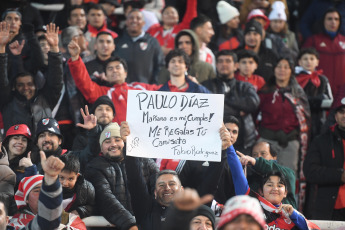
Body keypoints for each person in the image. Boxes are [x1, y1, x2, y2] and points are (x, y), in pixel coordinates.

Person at [122, 121, 231, 230]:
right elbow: (135, 179)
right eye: (161, 185)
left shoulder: (193, 210)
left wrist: (221, 151)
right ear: (155, 192)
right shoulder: (145, 210)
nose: (167, 188)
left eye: (172, 183)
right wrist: (129, 145)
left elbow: (210, 182)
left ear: (182, 190)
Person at [67, 39, 161, 124]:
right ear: (106, 75)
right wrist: (75, 58)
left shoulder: (140, 88)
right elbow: (84, 83)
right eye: (110, 69)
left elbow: (165, 92)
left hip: (141, 136)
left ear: (125, 73)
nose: (114, 70)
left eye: (117, 68)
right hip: (114, 139)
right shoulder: (103, 93)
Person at [227, 144, 319, 229]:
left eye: (279, 185)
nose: (275, 188)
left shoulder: (291, 215)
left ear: (285, 193)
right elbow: (237, 173)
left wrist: (294, 215)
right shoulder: (251, 205)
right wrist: (229, 145)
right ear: (261, 191)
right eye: (270, 185)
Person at [0, 22, 63, 137]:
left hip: (42, 150)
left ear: (36, 85)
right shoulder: (7, 101)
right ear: (14, 87)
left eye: (30, 84)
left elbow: (56, 80)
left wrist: (54, 48)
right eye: (20, 85)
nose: (26, 88)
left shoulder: (46, 99)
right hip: (14, 151)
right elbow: (1, 79)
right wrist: (2, 48)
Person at [257, 57, 310, 175]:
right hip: (266, 141)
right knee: (264, 177)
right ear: (274, 69)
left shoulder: (298, 92)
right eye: (279, 66)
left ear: (291, 71)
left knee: (287, 178)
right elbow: (255, 116)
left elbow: (305, 119)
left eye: (286, 67)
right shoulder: (265, 91)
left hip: (290, 142)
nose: (282, 70)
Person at [8, 151, 86, 229]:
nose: (44, 194)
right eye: (37, 190)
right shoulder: (14, 223)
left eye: (47, 190)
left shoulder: (71, 219)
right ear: (26, 198)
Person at [203, 50, 259, 154]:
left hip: (242, 143)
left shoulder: (245, 86)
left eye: (228, 61)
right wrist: (238, 111)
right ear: (216, 65)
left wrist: (220, 101)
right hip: (213, 141)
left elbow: (253, 104)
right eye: (220, 61)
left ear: (236, 65)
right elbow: (205, 108)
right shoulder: (206, 86)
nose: (224, 64)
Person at [84, 122, 138, 230]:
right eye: (107, 142)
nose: (113, 144)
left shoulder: (143, 161)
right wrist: (131, 225)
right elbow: (106, 199)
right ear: (101, 148)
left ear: (125, 142)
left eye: (117, 140)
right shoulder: (94, 167)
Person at [303, 96, 345, 221]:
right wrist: (340, 175)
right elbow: (310, 171)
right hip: (329, 210)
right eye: (341, 112)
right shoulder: (321, 141)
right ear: (335, 116)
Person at [237, 141, 297, 208]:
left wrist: (256, 162)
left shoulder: (287, 173)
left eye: (263, 154)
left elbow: (285, 173)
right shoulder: (249, 181)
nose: (259, 157)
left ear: (274, 157)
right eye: (255, 155)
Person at [113, 9, 164, 84]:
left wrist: (154, 84)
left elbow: (160, 65)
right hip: (121, 89)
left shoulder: (152, 42)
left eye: (138, 18)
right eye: (131, 18)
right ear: (126, 22)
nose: (134, 20)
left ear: (143, 23)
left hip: (146, 89)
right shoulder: (117, 41)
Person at [302, 8, 345, 96]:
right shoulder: (313, 40)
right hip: (320, 89)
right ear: (323, 21)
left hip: (341, 91)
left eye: (336, 19)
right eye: (329, 19)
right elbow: (302, 63)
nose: (333, 22)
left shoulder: (344, 40)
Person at [295, 48, 333, 139]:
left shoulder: (323, 79)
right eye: (305, 59)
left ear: (317, 62)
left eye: (312, 59)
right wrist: (317, 100)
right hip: (299, 121)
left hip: (319, 121)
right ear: (299, 62)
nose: (309, 61)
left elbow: (330, 102)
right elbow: (295, 101)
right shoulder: (294, 80)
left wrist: (308, 101)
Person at [1, 8, 44, 75]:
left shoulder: (28, 42)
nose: (13, 22)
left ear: (20, 23)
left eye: (16, 19)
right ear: (3, 22)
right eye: (9, 19)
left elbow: (39, 63)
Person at [59, 153, 95, 219]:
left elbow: (92, 206)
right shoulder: (45, 187)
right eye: (61, 177)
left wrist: (79, 211)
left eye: (70, 179)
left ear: (77, 176)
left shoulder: (87, 189)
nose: (65, 183)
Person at [3, 124, 36, 190]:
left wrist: (31, 169)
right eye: (15, 138)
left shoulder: (29, 165)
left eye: (24, 140)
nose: (20, 142)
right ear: (8, 142)